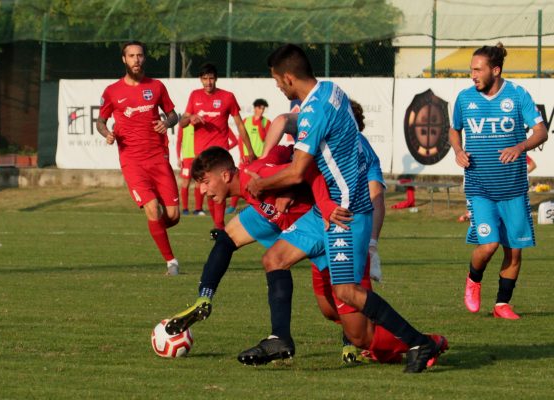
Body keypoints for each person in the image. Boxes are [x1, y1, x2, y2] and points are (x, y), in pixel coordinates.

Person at [244, 44, 446, 373]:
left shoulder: (313, 112)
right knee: (274, 258)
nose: (277, 87)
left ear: (289, 78)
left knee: (347, 293)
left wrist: (261, 183)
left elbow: (297, 171)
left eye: (277, 81)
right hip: (327, 208)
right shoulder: (331, 90)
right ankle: (280, 338)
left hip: (346, 212)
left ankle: (419, 341)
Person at [165, 146, 442, 366]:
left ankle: (423, 342)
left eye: (204, 182)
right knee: (321, 302)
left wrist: (314, 199)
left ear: (225, 175)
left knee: (358, 328)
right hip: (313, 232)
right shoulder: (253, 196)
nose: (202, 190)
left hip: (337, 224)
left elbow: (304, 168)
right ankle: (280, 338)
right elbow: (282, 152)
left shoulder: (256, 177)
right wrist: (206, 294)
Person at [449, 43, 548, 320]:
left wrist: (520, 147)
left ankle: (502, 304)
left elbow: (541, 132)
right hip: (480, 188)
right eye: (471, 69)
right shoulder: (465, 98)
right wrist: (458, 151)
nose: (472, 75)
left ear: (496, 70)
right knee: (489, 244)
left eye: (477, 70)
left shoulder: (517, 96)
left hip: (514, 189)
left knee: (514, 252)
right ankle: (473, 278)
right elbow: (453, 130)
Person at [260, 100, 385, 282]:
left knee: (348, 297)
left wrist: (263, 168)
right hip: (320, 218)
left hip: (344, 223)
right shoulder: (333, 139)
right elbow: (377, 196)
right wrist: (372, 244)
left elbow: (376, 195)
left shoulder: (341, 142)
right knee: (275, 259)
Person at [97, 40, 181, 276]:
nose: (136, 59)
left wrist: (166, 123)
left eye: (140, 55)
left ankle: (155, 229)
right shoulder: (112, 91)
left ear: (145, 58)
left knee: (173, 216)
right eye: (131, 56)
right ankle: (171, 262)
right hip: (132, 161)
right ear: (124, 60)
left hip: (158, 157)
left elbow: (173, 114)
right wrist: (108, 134)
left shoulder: (156, 86)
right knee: (153, 208)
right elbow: (100, 122)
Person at [179, 63, 257, 236]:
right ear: (200, 79)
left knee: (219, 189)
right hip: (201, 155)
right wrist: (191, 118)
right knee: (209, 193)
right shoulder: (194, 96)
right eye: (205, 79)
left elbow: (240, 125)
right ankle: (218, 225)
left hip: (219, 154)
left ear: (216, 79)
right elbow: (182, 123)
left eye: (211, 78)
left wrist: (250, 151)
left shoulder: (227, 97)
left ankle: (219, 226)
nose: (208, 82)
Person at [227, 98, 270, 214]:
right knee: (240, 180)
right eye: (260, 108)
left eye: (263, 108)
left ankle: (258, 206)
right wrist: (242, 154)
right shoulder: (246, 121)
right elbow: (241, 139)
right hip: (247, 157)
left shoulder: (266, 122)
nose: (261, 110)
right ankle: (232, 206)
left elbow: (264, 138)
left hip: (260, 158)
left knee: (258, 182)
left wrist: (259, 123)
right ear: (255, 108)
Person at [176, 123, 205, 216]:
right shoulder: (183, 125)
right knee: (185, 183)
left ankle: (198, 209)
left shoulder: (201, 126)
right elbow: (179, 141)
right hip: (187, 159)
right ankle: (185, 209)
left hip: (198, 158)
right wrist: (178, 158)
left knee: (199, 182)